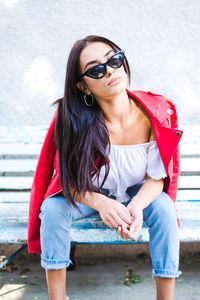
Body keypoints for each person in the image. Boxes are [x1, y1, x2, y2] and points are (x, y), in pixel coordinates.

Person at [28, 35, 183, 300]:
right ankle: (57, 297)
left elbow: (157, 177)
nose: (110, 70)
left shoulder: (156, 112)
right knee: (52, 209)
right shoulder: (72, 117)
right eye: (96, 69)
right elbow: (69, 180)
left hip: (138, 191)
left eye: (114, 59)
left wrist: (135, 208)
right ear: (84, 86)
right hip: (89, 194)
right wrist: (101, 203)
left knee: (165, 209)